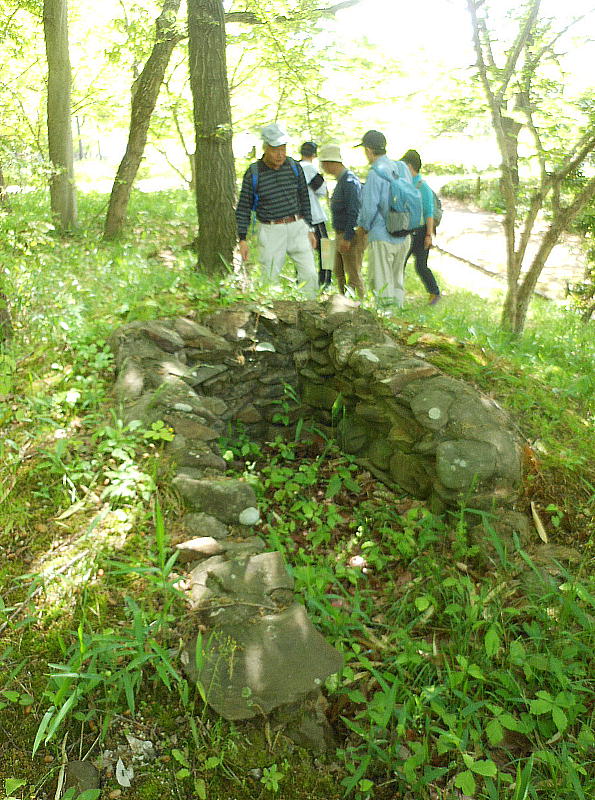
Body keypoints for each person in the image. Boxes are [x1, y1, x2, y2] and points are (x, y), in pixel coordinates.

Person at [236, 123, 318, 298]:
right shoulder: (254, 173)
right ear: (265, 148)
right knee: (269, 276)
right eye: (275, 150)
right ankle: (269, 309)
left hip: (298, 226)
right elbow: (243, 207)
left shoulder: (294, 167)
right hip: (271, 229)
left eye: (283, 148)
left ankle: (310, 307)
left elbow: (304, 197)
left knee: (310, 274)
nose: (280, 154)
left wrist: (310, 227)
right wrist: (242, 239)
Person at [356, 130, 413, 309]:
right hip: (403, 231)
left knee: (381, 281)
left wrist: (362, 228)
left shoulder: (375, 173)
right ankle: (398, 315)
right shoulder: (402, 168)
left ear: (368, 150)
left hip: (382, 234)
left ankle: (386, 317)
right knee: (397, 280)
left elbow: (369, 208)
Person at [318, 143, 366, 299]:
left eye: (324, 164)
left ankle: (358, 304)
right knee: (339, 272)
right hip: (340, 233)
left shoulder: (349, 182)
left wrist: (347, 237)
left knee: (353, 273)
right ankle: (342, 302)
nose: (323, 167)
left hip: (349, 234)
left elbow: (354, 211)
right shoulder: (341, 181)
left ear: (332, 163)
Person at [401, 149, 441, 305]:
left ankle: (434, 293)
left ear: (410, 166)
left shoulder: (422, 186)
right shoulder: (406, 184)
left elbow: (429, 213)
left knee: (421, 266)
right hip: (407, 232)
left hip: (421, 232)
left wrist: (428, 235)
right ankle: (396, 295)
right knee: (399, 264)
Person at [299, 141, 331, 288]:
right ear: (314, 154)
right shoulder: (309, 168)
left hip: (299, 217)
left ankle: (303, 283)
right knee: (325, 250)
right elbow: (321, 191)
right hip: (315, 216)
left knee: (302, 251)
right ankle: (325, 282)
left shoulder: (294, 168)